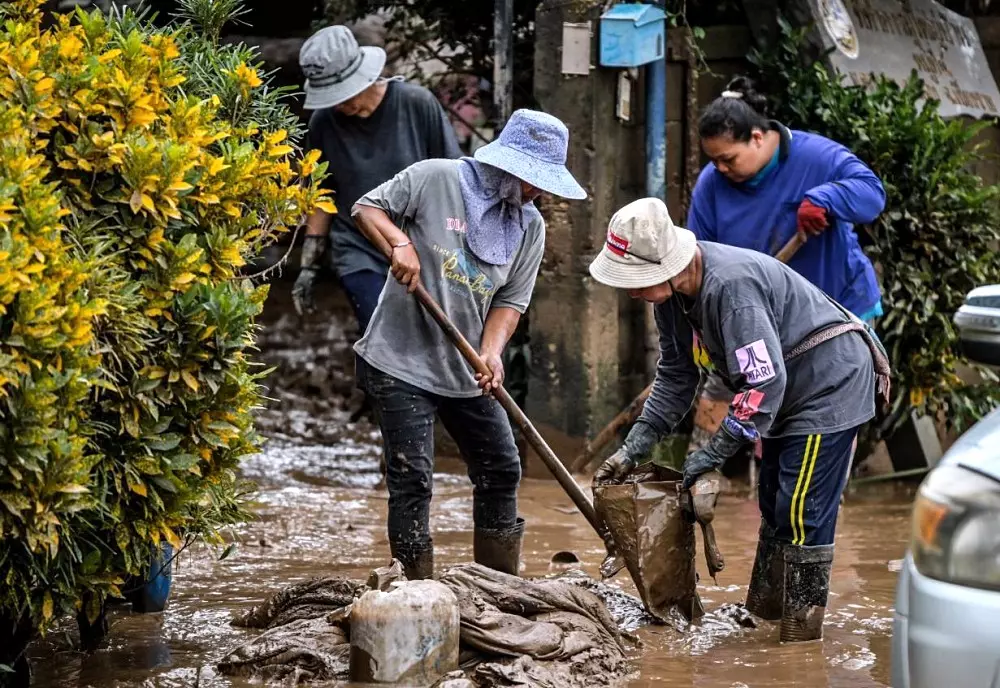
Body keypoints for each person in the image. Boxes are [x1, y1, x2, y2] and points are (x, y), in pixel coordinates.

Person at [588, 197, 889, 643]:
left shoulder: (731, 290)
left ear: (668, 266)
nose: (631, 292)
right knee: (772, 502)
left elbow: (763, 383)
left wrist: (713, 454)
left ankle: (800, 639)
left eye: (637, 281)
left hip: (828, 383)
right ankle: (764, 617)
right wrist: (635, 445)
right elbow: (675, 375)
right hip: (785, 387)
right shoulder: (671, 299)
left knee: (800, 507)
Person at [350, 109, 586, 581]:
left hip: (464, 368)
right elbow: (366, 209)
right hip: (399, 361)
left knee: (501, 466)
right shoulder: (435, 178)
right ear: (507, 166)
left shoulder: (530, 227)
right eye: (532, 180)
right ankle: (415, 593)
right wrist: (399, 244)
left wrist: (492, 352)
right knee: (413, 477)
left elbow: (511, 302)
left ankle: (496, 586)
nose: (537, 192)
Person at [292, 25, 462, 332]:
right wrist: (308, 265)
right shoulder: (324, 123)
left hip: (419, 247)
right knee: (379, 332)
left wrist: (453, 253)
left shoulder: (416, 104)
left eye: (343, 95)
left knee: (426, 341)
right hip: (357, 249)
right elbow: (321, 195)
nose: (337, 105)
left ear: (364, 78)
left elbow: (452, 181)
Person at [689, 76, 886, 322]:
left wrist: (825, 198)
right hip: (766, 317)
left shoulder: (815, 156)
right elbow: (700, 258)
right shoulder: (711, 184)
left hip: (841, 308)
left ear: (757, 138)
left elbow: (872, 195)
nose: (720, 169)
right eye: (713, 160)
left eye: (728, 159)